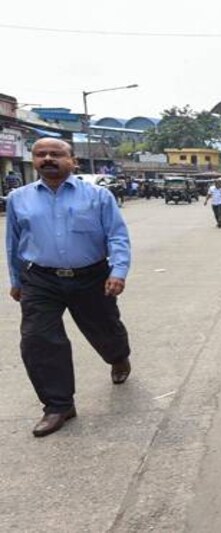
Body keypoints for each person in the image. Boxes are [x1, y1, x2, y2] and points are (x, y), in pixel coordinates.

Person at [5, 138, 132, 438]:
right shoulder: (17, 198)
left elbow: (117, 236)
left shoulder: (99, 196)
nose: (48, 158)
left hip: (91, 276)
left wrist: (118, 271)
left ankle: (118, 357)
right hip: (40, 279)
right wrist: (16, 280)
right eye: (41, 154)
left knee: (104, 328)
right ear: (34, 160)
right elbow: (13, 243)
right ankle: (58, 405)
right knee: (38, 339)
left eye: (56, 154)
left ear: (72, 160)